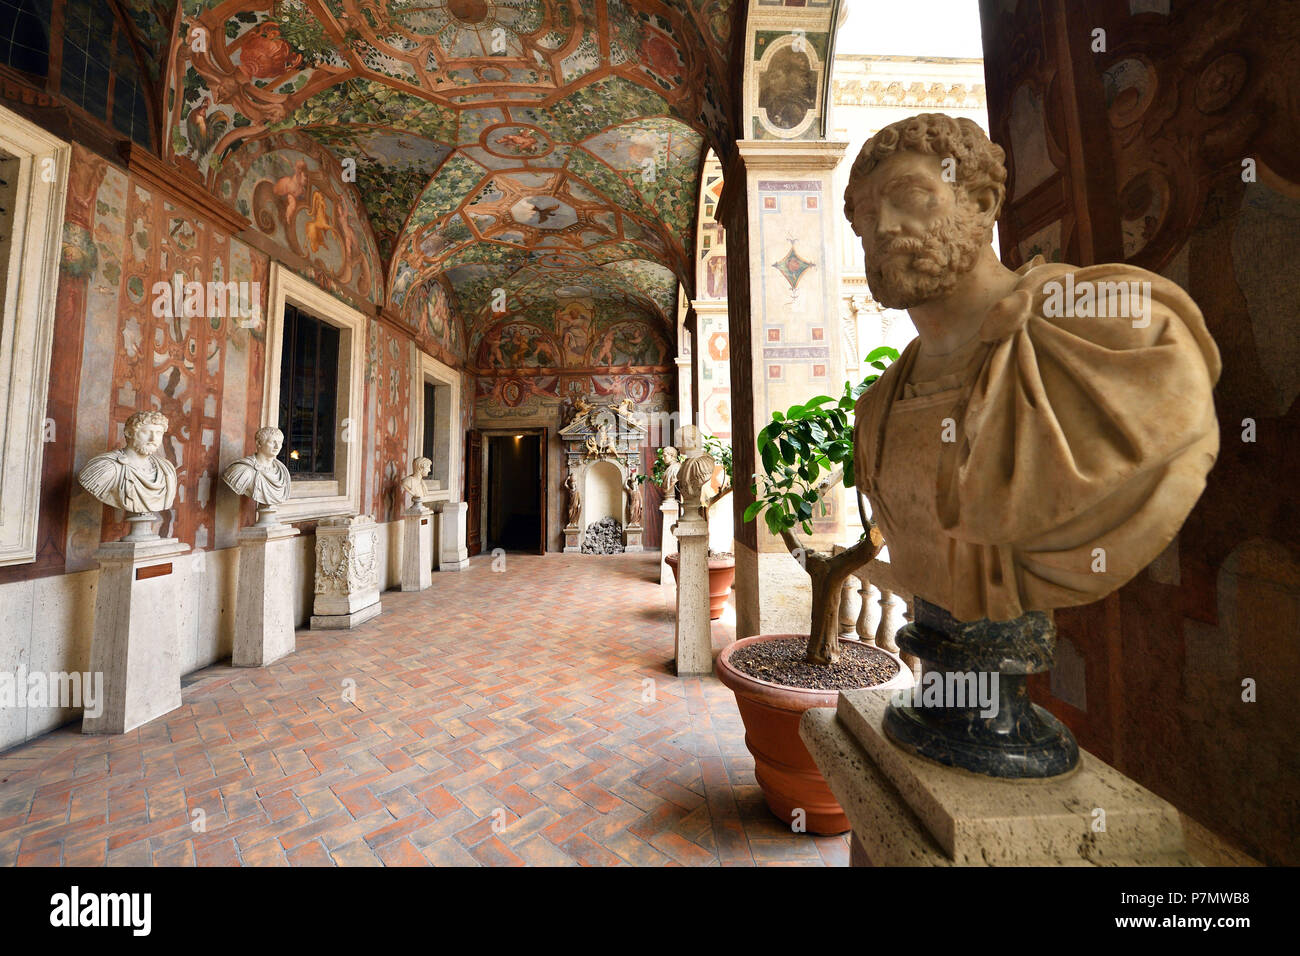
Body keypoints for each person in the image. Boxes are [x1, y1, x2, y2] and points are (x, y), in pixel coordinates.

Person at [846, 113, 1220, 622]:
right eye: (866, 217)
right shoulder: (876, 409)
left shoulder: (1115, 332)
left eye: (909, 198)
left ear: (980, 204)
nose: (884, 228)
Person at [79, 410, 178, 515]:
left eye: (158, 433)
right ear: (129, 433)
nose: (153, 439)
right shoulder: (108, 467)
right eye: (146, 432)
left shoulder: (166, 468)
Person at [222, 425, 292, 515]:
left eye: (280, 442)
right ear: (259, 443)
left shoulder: (282, 473)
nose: (277, 446)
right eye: (272, 442)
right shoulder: (243, 471)